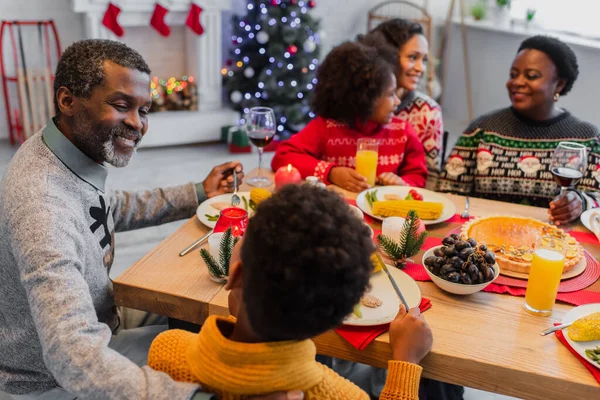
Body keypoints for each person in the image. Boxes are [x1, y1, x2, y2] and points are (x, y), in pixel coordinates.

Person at [0, 39, 296, 400]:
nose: (138, 125)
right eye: (122, 106)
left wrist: (198, 193)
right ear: (67, 101)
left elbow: (104, 209)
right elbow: (73, 358)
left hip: (103, 320)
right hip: (56, 383)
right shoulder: (41, 205)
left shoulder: (60, 154)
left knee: (212, 324)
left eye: (144, 111)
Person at [148, 184, 433, 399]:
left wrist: (243, 315)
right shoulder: (343, 395)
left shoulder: (167, 351)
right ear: (338, 316)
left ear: (235, 275)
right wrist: (405, 362)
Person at [438, 35, 600, 225]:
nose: (517, 82)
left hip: (553, 248)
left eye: (531, 76)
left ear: (559, 84)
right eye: (513, 74)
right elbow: (448, 192)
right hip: (486, 243)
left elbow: (597, 199)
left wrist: (580, 203)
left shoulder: (587, 138)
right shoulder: (482, 130)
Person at [271, 41, 428, 192]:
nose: (397, 101)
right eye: (391, 94)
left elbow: (418, 176)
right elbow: (282, 157)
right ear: (366, 98)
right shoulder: (326, 128)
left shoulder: (403, 132)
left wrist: (402, 184)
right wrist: (331, 173)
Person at [359, 19, 444, 190]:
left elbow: (430, 183)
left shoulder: (428, 112)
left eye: (424, 60)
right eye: (413, 57)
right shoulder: (358, 101)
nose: (421, 68)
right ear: (388, 55)